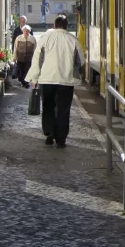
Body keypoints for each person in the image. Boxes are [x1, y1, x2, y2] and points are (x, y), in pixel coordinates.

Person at [26, 15, 85, 148]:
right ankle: (61, 139)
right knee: (63, 109)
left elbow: (37, 59)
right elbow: (81, 61)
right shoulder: (73, 40)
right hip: (66, 81)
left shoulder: (45, 38)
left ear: (54, 25)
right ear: (66, 26)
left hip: (47, 80)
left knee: (48, 107)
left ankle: (49, 134)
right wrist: (74, 72)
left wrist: (34, 78)